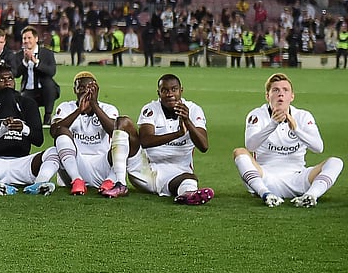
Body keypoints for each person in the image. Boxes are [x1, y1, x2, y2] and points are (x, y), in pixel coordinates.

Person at [233, 73, 342, 207]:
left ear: (292, 96)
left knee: (336, 162)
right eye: (275, 90)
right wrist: (272, 124)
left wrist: (296, 129)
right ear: (267, 96)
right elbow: (250, 146)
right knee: (239, 152)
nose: (281, 94)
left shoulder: (303, 116)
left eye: (285, 90)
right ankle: (265, 194)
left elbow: (318, 148)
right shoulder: (257, 115)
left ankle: (310, 196)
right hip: (266, 177)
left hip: (298, 178)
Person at [0, 64, 61, 195]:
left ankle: (40, 183)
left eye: (10, 79)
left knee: (54, 151)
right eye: (1, 79)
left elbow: (39, 140)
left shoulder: (28, 103)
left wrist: (25, 129)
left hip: (22, 164)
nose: (7, 82)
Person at [130, 74, 213, 205]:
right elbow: (145, 141)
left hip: (179, 171)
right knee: (124, 126)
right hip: (147, 171)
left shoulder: (194, 110)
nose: (170, 94)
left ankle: (187, 195)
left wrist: (187, 120)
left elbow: (204, 146)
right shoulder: (150, 109)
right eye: (165, 90)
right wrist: (177, 134)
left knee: (190, 179)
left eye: (174, 89)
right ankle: (118, 182)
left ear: (181, 90)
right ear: (159, 93)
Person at [49, 71, 135, 198]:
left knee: (124, 141)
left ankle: (110, 181)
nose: (86, 91)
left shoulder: (109, 109)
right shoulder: (66, 107)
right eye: (81, 87)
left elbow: (114, 131)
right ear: (75, 90)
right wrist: (78, 111)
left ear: (97, 89)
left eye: (90, 88)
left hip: (103, 167)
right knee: (62, 130)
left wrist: (95, 106)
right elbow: (54, 131)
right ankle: (77, 180)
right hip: (75, 164)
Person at [14, 26, 59, 125]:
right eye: (24, 38)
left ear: (36, 39)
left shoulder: (47, 53)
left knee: (49, 84)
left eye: (29, 38)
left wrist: (36, 62)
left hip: (44, 90)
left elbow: (51, 71)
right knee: (28, 118)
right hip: (28, 91)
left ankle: (47, 116)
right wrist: (25, 62)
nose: (26, 41)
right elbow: (16, 74)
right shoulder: (19, 55)